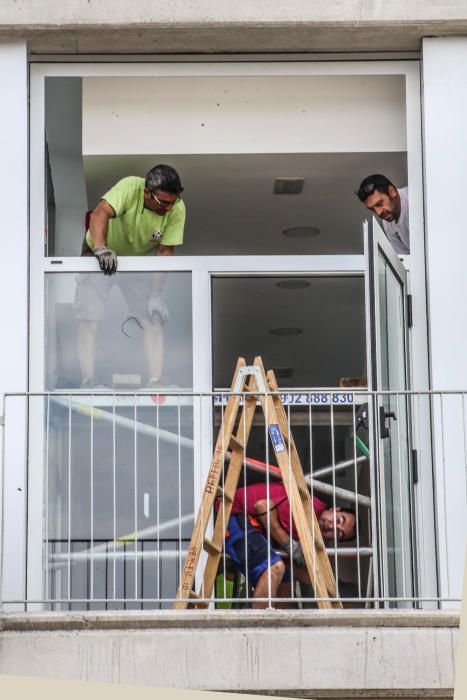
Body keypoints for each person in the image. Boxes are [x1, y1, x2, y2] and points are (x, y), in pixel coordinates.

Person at [74, 164, 185, 389]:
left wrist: (156, 293)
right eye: (164, 202)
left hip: (136, 261)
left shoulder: (177, 208)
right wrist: (101, 249)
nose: (169, 207)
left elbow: (164, 252)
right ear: (147, 193)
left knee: (153, 315)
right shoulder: (129, 187)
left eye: (173, 202)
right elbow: (99, 214)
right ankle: (89, 381)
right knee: (90, 314)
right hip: (99, 252)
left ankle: (156, 381)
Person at [222, 481, 356, 609]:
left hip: (256, 528)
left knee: (286, 582)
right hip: (233, 513)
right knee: (275, 568)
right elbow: (262, 506)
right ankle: (257, 626)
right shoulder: (310, 506)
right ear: (335, 509)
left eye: (338, 533)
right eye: (338, 520)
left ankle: (282, 630)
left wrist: (333, 587)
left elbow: (292, 568)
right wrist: (288, 544)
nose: (332, 526)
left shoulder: (310, 534)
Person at [355, 174, 409, 255]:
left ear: (392, 191)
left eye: (379, 203)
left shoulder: (413, 199)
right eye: (372, 209)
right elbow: (405, 260)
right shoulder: (387, 222)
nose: (378, 213)